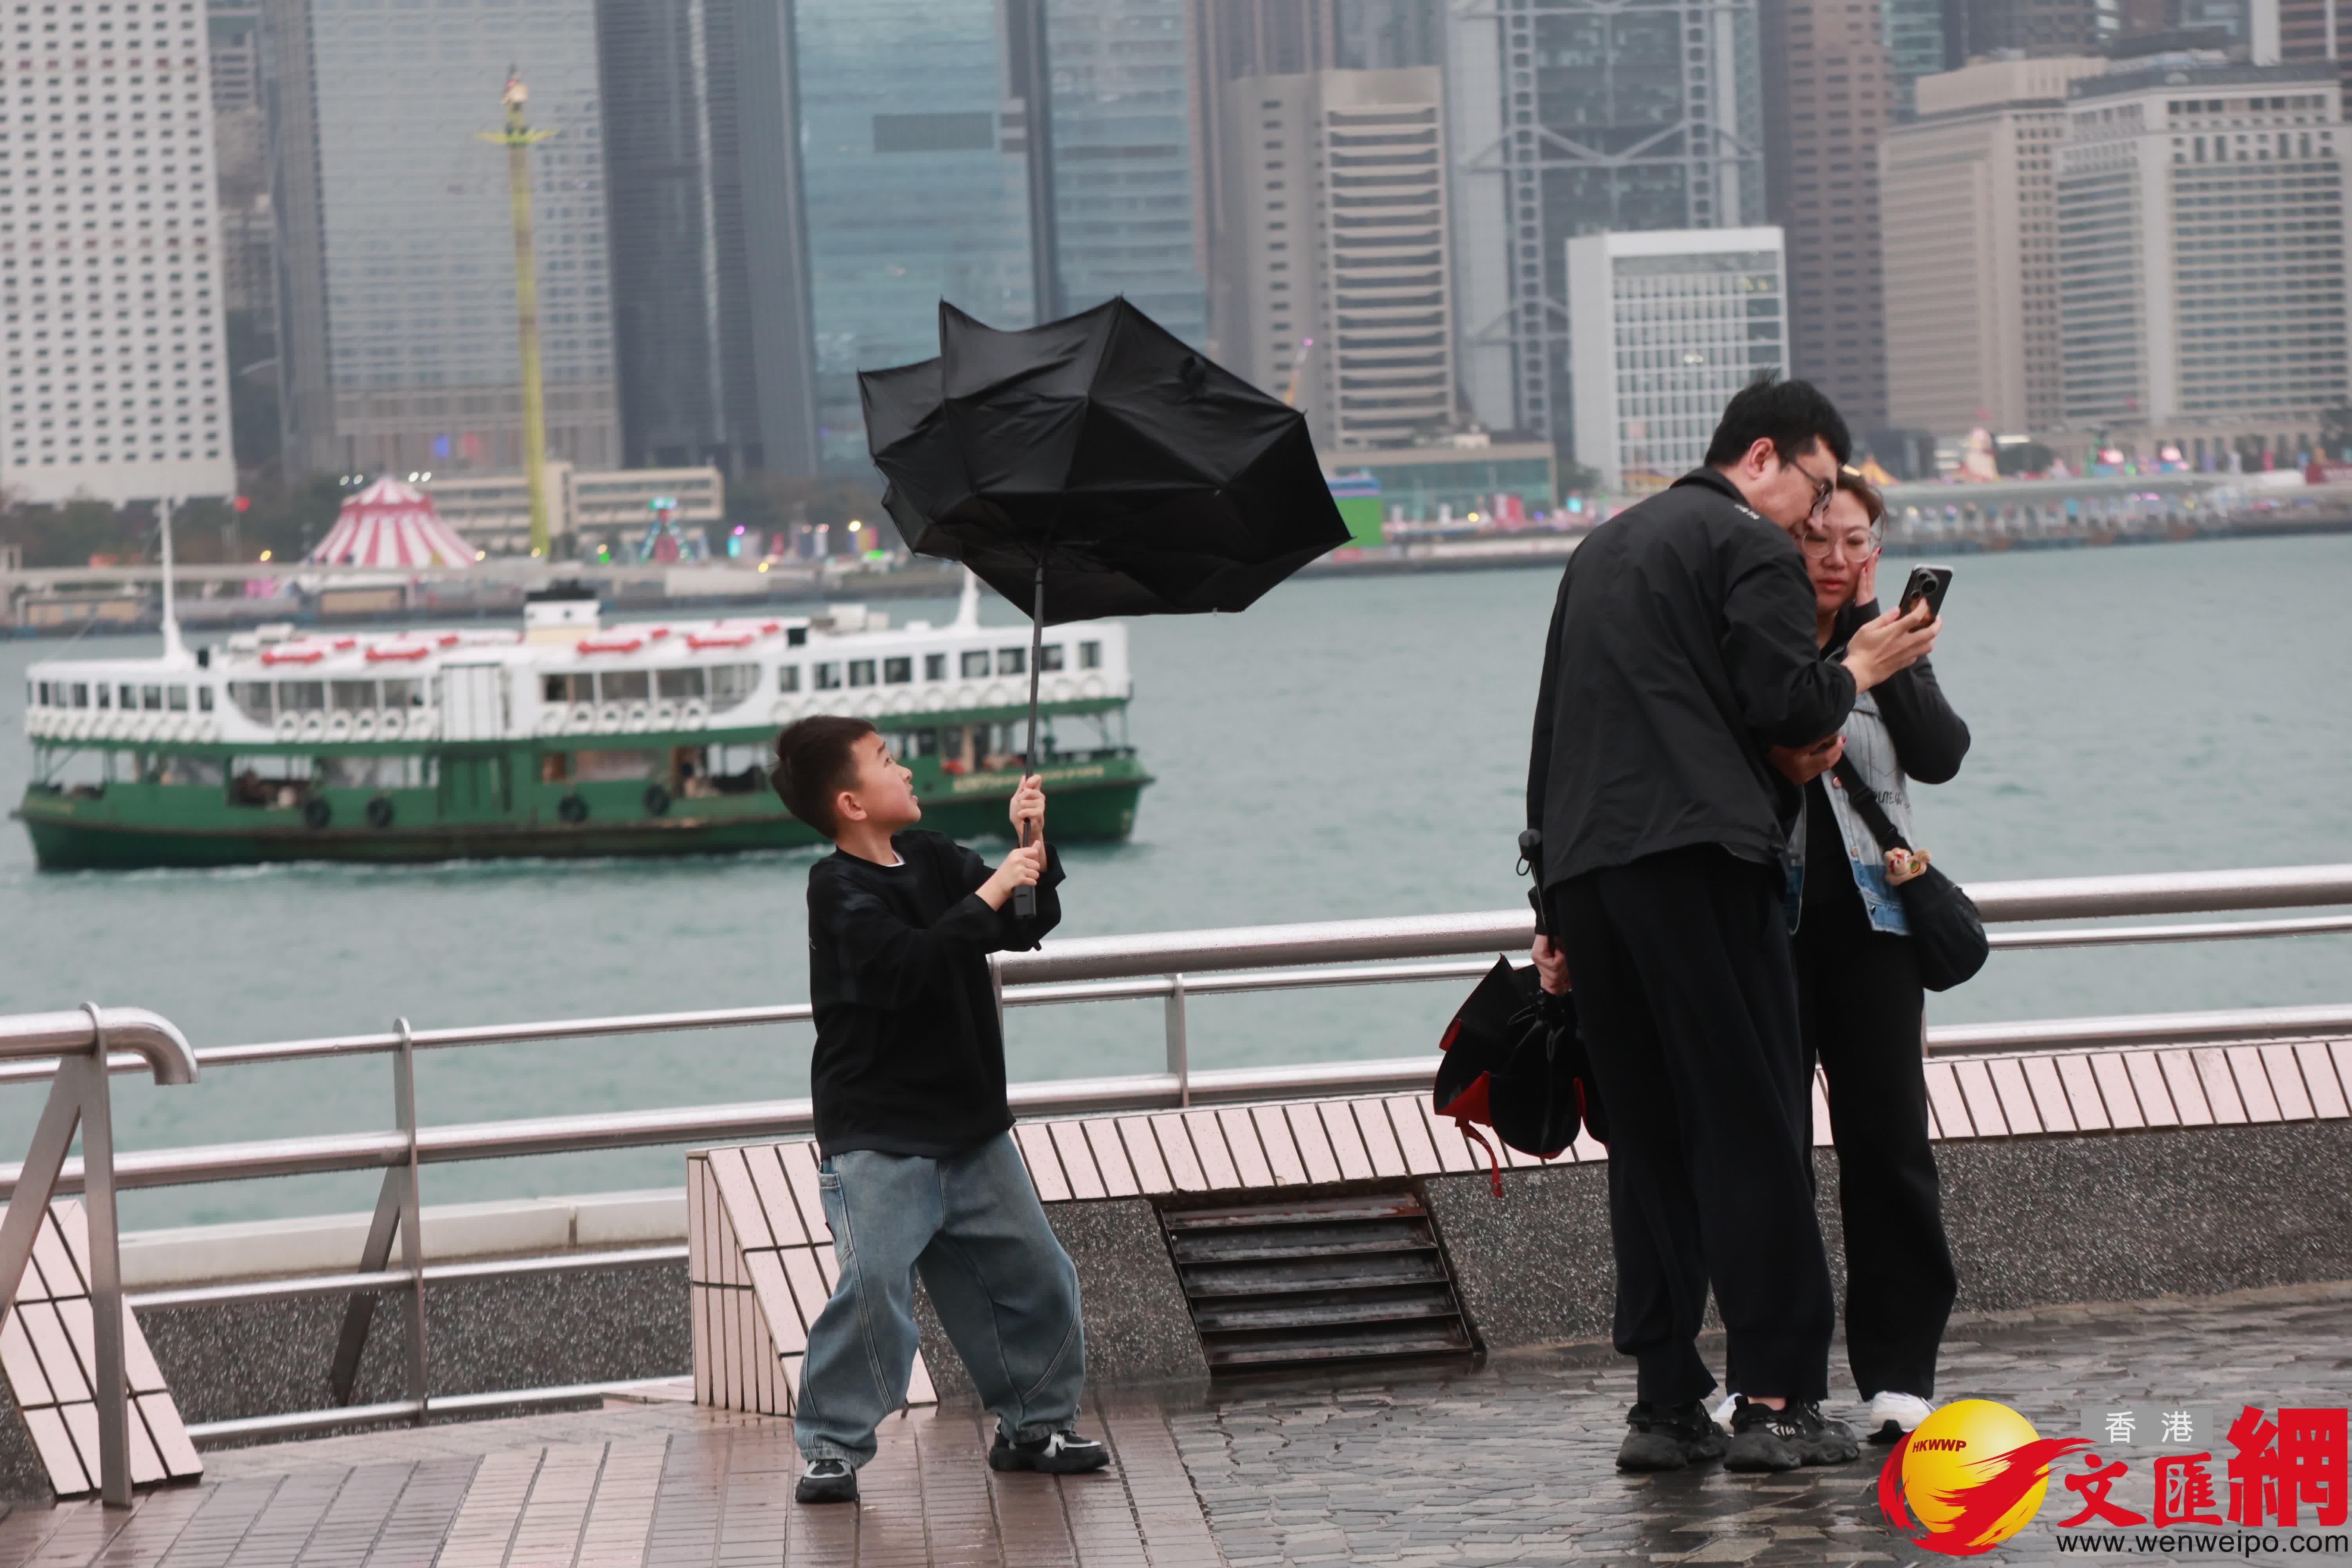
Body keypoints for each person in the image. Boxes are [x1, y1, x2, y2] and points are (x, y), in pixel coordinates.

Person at [1523, 376, 1940, 1475]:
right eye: (1812, 489)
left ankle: (1665, 1401)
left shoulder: (1602, 549)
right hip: (1701, 867)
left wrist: (1548, 904)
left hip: (1589, 877)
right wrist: (1853, 667)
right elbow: (1790, 707)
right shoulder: (1745, 543)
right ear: (1766, 456)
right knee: (1752, 1124)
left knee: (1648, 1141)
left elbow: (1552, 730)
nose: (1815, 519)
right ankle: (1775, 1398)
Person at [770, 715, 1111, 1505]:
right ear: (852, 801)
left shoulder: (935, 857)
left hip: (968, 1121)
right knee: (874, 1285)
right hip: (878, 1132)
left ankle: (1035, 1424)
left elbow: (1021, 924)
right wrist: (993, 887)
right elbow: (908, 965)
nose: (909, 770)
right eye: (888, 760)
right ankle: (831, 1447)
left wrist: (1031, 851)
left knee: (1034, 1276)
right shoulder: (837, 887)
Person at [1767, 469, 1966, 1445]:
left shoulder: (1886, 640)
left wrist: (1891, 651)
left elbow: (1940, 754)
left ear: (1877, 552)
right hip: (1769, 926)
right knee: (1769, 1157)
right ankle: (1776, 1376)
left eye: (1856, 542)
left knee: (1888, 1153)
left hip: (1879, 932)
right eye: (1818, 542)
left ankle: (1901, 1375)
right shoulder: (1755, 638)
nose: (1837, 560)